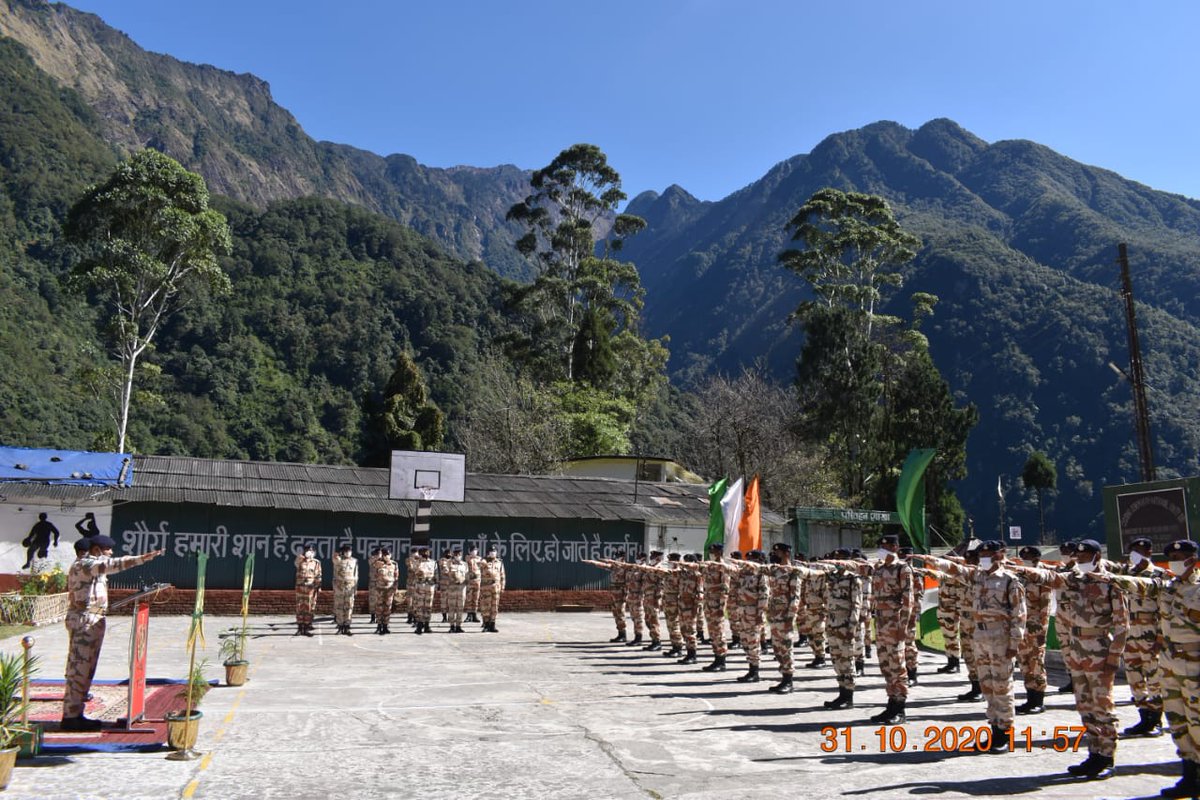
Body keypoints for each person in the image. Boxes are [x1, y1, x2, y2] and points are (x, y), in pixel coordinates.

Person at [1009, 539, 1127, 779]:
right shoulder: (1072, 579)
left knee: (1102, 704)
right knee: (1084, 704)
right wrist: (1017, 568)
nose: (1080, 561)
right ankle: (1093, 754)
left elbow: (1122, 625)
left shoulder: (1110, 583)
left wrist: (1115, 655)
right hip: (1076, 649)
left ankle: (1107, 757)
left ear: (1096, 557)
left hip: (1099, 649)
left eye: (1085, 557)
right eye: (1078, 557)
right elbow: (1045, 577)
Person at [1092, 539, 1200, 798]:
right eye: (1171, 555)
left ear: (1193, 559)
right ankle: (1191, 776)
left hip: (1195, 666)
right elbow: (1142, 584)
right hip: (1171, 665)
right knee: (1178, 723)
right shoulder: (1169, 586)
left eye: (1180, 555)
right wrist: (1109, 578)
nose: (1175, 559)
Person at [917, 540, 1026, 752]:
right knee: (987, 686)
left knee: (1002, 686)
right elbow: (955, 569)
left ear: (999, 555)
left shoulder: (1010, 581)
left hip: (1001, 639)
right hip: (980, 638)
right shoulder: (977, 576)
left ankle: (1005, 734)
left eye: (988, 553)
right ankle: (994, 728)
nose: (984, 557)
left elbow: (1019, 615)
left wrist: (1015, 644)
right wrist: (931, 560)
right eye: (982, 553)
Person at [61, 535, 162, 730]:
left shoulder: (93, 566)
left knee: (87, 669)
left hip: (93, 621)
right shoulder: (85, 565)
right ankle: (70, 717)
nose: (111, 553)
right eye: (108, 550)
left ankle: (77, 712)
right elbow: (114, 564)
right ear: (97, 550)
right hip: (84, 623)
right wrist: (142, 558)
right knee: (79, 670)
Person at [1116, 536, 1166, 737]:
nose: (1135, 554)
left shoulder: (1158, 575)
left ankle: (1156, 720)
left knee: (1154, 677)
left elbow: (1165, 610)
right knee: (1134, 676)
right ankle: (1144, 717)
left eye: (1139, 551)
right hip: (1130, 633)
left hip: (1150, 633)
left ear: (1149, 552)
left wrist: (1160, 639)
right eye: (1133, 551)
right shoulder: (1128, 574)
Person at [1014, 546, 1050, 714]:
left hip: (1036, 627)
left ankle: (1039, 700)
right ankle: (1030, 698)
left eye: (1029, 556)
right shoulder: (1021, 575)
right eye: (1023, 556)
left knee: (1036, 663)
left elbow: (1045, 605)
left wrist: (1041, 628)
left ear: (1037, 558)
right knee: (1024, 662)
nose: (1025, 559)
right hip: (1022, 626)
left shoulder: (1043, 575)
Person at [676, 554, 704, 664]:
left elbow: (700, 594)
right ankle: (688, 653)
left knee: (691, 631)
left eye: (687, 562)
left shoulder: (698, 575)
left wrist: (695, 609)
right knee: (684, 630)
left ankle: (693, 655)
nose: (685, 564)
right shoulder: (684, 574)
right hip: (682, 605)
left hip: (691, 606)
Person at [294, 544, 322, 637]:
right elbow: (296, 563)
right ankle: (299, 628)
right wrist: (300, 557)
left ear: (313, 552)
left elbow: (318, 576)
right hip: (300, 589)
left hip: (310, 589)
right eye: (306, 550)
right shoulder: (300, 561)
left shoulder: (316, 563)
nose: (308, 552)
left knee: (308, 608)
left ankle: (306, 628)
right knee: (299, 608)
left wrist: (318, 587)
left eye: (310, 550)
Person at [660, 553, 685, 658]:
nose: (669, 562)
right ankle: (674, 646)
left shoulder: (680, 572)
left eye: (671, 560)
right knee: (670, 625)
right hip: (668, 601)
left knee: (675, 625)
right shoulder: (669, 573)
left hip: (675, 601)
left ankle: (678, 648)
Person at [331, 543, 358, 636]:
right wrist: (339, 550)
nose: (348, 553)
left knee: (349, 607)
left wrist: (355, 588)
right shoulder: (338, 560)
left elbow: (356, 575)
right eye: (346, 551)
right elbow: (334, 556)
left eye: (349, 551)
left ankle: (347, 626)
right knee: (339, 607)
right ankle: (340, 626)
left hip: (350, 587)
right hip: (339, 587)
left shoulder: (354, 561)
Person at [371, 547, 399, 635]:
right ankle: (379, 626)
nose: (386, 556)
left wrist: (395, 588)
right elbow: (373, 575)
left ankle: (386, 626)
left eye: (388, 555)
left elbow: (396, 577)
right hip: (380, 589)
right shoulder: (378, 564)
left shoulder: (394, 564)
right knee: (379, 608)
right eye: (385, 555)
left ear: (390, 555)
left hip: (389, 590)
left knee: (388, 608)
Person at [479, 545, 506, 632]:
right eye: (491, 551)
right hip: (486, 588)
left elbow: (502, 575)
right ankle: (486, 625)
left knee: (494, 607)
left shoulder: (499, 562)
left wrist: (502, 586)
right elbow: (478, 569)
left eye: (494, 551)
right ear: (488, 553)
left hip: (496, 588)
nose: (493, 553)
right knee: (485, 606)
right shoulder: (484, 562)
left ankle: (492, 625)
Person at [411, 547, 436, 634]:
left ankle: (427, 625)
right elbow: (415, 571)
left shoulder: (433, 562)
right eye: (424, 552)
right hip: (420, 586)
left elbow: (436, 575)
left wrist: (435, 582)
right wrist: (419, 560)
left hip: (430, 587)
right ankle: (419, 625)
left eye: (427, 552)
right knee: (419, 606)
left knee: (428, 607)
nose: (427, 553)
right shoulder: (417, 562)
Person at [444, 547, 469, 633]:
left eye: (459, 554)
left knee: (460, 608)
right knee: (451, 607)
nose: (458, 556)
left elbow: (467, 575)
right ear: (453, 555)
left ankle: (458, 626)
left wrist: (465, 581)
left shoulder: (465, 564)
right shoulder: (449, 563)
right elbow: (446, 573)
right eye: (456, 554)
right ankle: (452, 626)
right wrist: (454, 576)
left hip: (462, 588)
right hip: (452, 588)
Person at [465, 544, 484, 624]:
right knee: (469, 598)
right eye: (472, 550)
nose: (474, 552)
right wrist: (471, 555)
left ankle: (474, 615)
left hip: (477, 581)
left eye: (475, 550)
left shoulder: (480, 559)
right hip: (470, 581)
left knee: (476, 599)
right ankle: (469, 615)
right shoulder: (467, 558)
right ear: (470, 551)